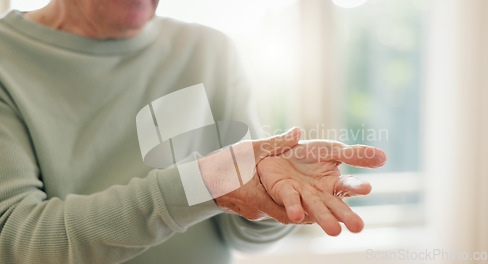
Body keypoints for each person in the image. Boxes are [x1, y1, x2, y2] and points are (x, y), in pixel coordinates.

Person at [0, 0, 386, 263]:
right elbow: (17, 242)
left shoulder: (209, 50)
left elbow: (241, 230)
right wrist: (201, 183)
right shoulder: (8, 58)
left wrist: (277, 199)